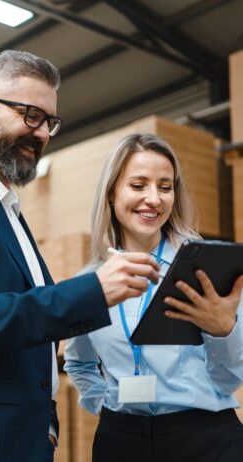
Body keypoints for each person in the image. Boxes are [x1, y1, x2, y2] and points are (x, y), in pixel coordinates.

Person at [0, 50, 160, 462]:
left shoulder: (7, 212)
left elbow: (29, 336)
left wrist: (47, 426)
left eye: (49, 122)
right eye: (29, 114)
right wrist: (92, 290)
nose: (40, 133)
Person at [64, 133, 243, 462]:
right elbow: (78, 362)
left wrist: (223, 331)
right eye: (138, 185)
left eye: (165, 186)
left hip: (205, 439)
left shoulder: (206, 268)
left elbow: (229, 378)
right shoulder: (89, 283)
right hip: (121, 441)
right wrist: (104, 404)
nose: (154, 199)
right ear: (112, 192)